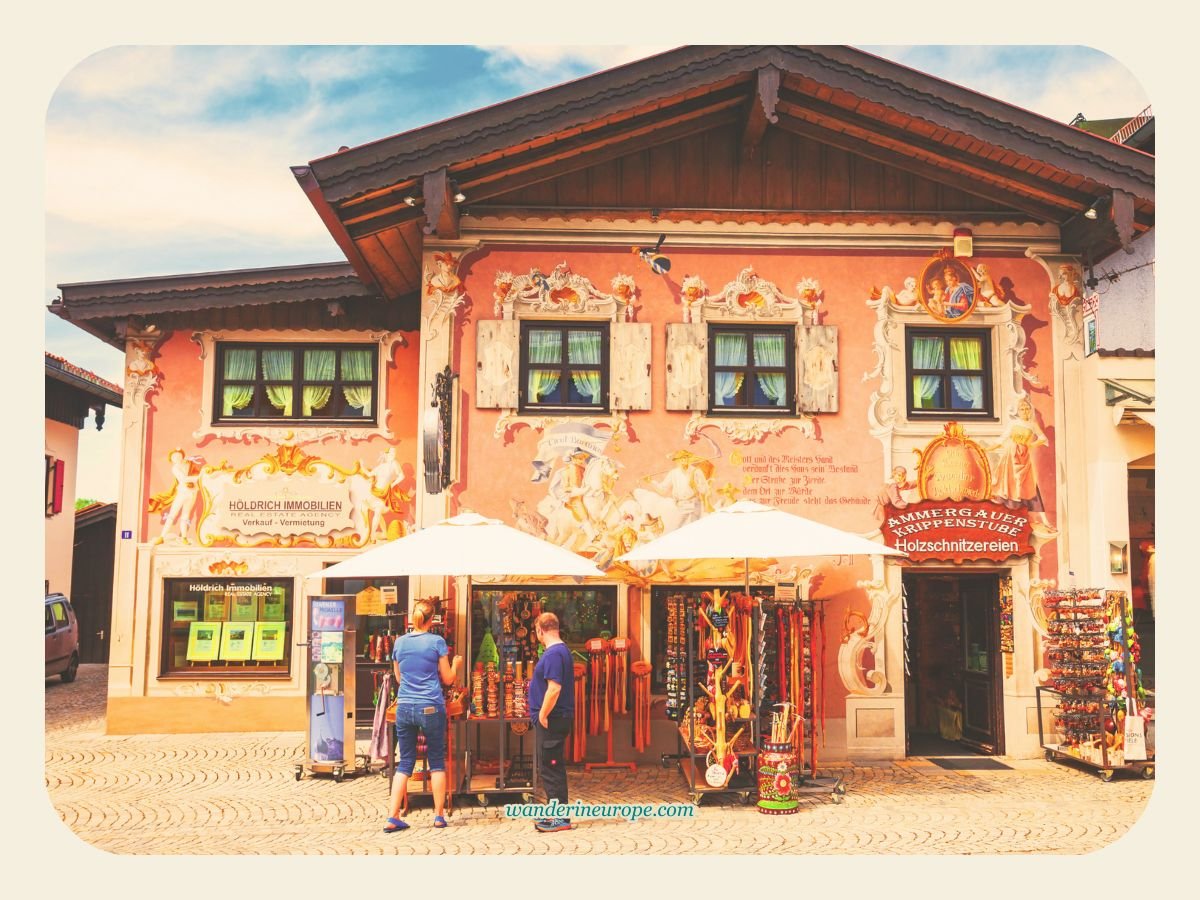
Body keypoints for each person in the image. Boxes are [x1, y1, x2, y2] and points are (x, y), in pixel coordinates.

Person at [383, 598, 462, 832]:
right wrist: (456, 664)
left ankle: (392, 816)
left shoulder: (399, 643)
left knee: (405, 762)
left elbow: (398, 678)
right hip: (430, 706)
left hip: (405, 706)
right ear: (432, 620)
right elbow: (448, 678)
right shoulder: (437, 642)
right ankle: (438, 816)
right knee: (437, 761)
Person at [528, 612, 575, 833]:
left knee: (550, 768)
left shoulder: (555, 654)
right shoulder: (560, 651)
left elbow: (554, 688)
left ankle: (560, 819)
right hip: (556, 718)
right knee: (552, 767)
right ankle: (558, 815)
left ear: (540, 630)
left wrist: (542, 714)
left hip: (553, 719)